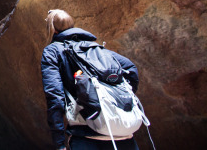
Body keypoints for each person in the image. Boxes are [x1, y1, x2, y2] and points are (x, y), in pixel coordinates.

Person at [41, 10, 140, 150]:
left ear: (53, 30)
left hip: (86, 137)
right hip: (123, 133)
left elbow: (54, 96)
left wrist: (59, 143)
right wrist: (118, 103)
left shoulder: (53, 51)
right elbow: (131, 69)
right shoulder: (98, 49)